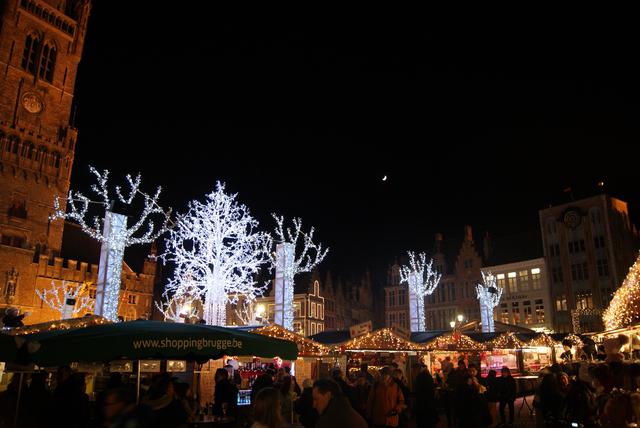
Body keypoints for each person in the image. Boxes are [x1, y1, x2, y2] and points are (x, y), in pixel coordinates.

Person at [413, 362, 438, 428]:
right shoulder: (428, 376)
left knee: (423, 421)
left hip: (422, 404)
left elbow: (418, 390)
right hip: (429, 403)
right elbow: (432, 389)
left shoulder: (419, 377)